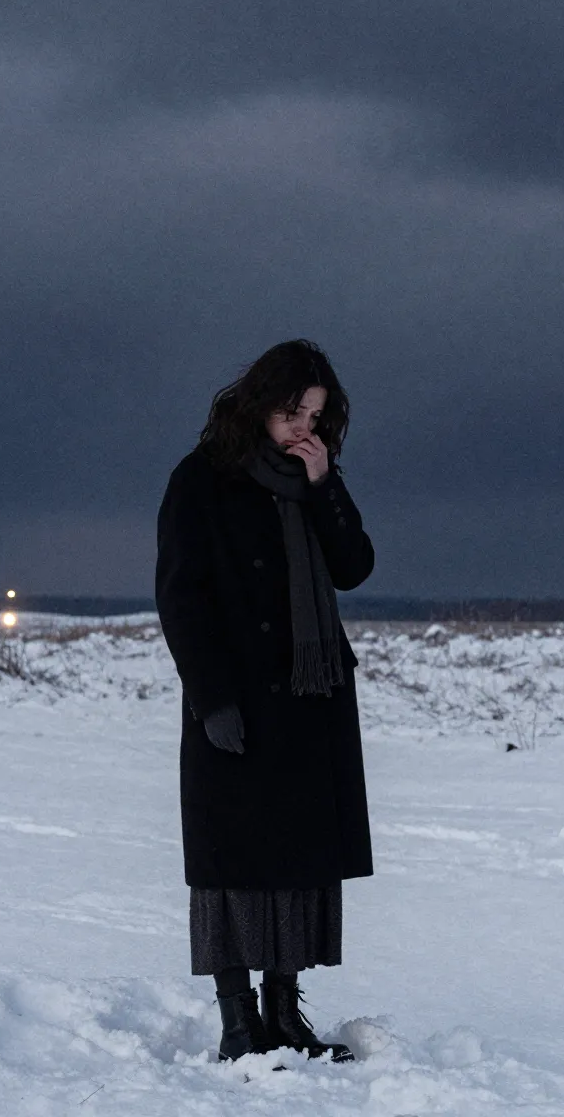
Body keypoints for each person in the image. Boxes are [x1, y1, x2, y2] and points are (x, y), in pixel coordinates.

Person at [154, 339, 376, 1063]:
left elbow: (354, 568)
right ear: (258, 403)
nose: (301, 429)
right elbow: (181, 597)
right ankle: (237, 1022)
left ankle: (286, 1015)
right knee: (233, 865)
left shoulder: (313, 478)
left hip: (310, 698)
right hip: (238, 698)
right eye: (290, 413)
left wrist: (323, 486)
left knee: (299, 862)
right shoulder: (201, 478)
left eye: (314, 416)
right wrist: (211, 699)